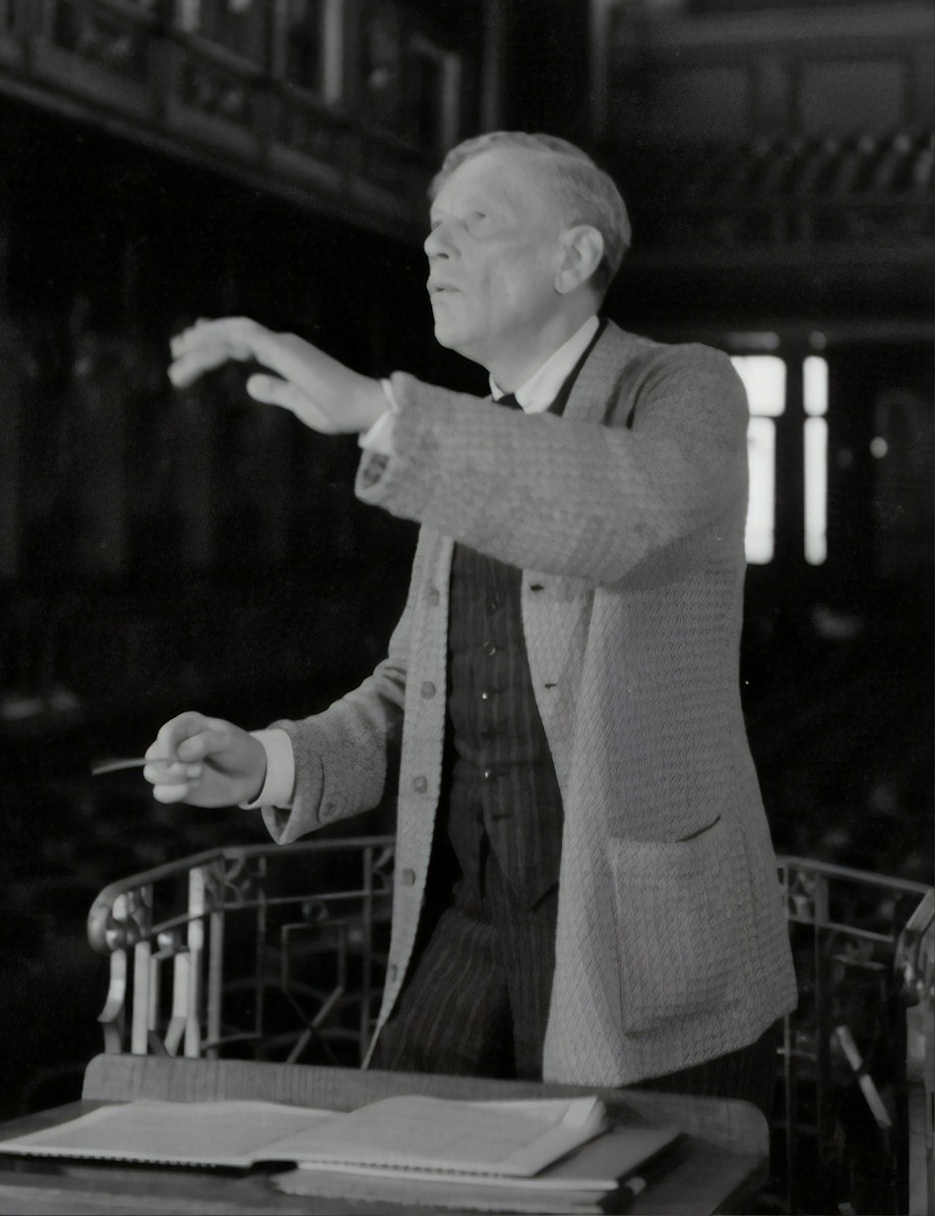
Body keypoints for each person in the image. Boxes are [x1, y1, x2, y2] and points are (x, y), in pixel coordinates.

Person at [144, 131, 797, 1106]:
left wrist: (379, 410)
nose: (434, 249)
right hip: (469, 922)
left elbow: (632, 515)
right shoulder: (464, 428)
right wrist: (269, 759)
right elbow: (421, 693)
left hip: (639, 938)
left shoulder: (681, 387)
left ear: (576, 257)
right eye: (433, 229)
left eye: (476, 222)